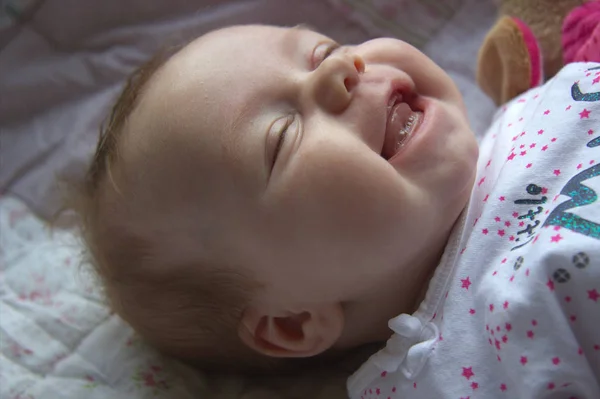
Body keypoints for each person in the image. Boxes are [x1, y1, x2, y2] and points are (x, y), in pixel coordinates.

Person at [71, 24, 600, 398]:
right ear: (295, 321)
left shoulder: (532, 104)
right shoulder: (452, 369)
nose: (340, 71)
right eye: (282, 137)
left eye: (322, 49)